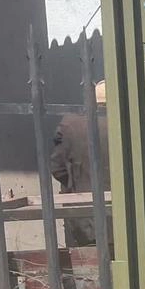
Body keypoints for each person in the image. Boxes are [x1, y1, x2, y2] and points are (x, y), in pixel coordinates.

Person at [50, 79, 111, 248]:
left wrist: (76, 184)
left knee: (88, 261)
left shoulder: (70, 124)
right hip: (128, 218)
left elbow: (57, 168)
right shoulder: (131, 122)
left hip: (84, 219)